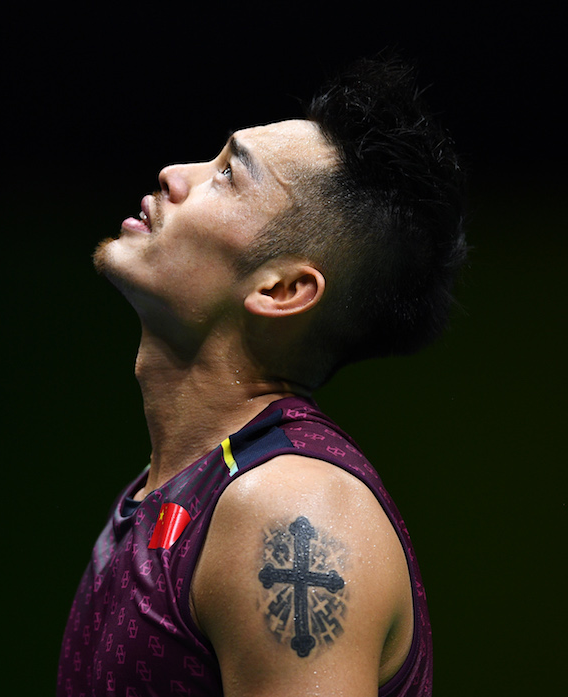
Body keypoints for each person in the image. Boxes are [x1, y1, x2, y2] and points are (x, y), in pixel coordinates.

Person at [57, 56, 467, 697]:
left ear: (282, 289)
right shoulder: (170, 490)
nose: (174, 175)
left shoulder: (288, 510)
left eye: (227, 175)